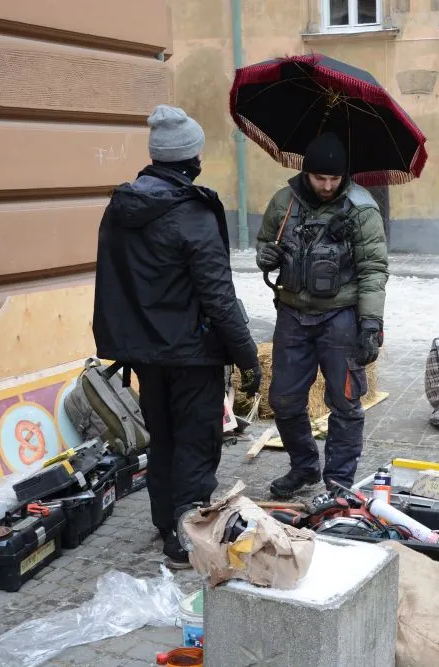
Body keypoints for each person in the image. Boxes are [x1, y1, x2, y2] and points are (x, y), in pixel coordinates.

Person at [92, 105, 261, 567]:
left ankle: (165, 518)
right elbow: (218, 296)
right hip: (191, 351)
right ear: (190, 158)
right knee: (194, 438)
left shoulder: (121, 208)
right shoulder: (191, 213)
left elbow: (113, 282)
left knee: (161, 433)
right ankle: (185, 535)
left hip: (145, 350)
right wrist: (247, 357)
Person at [255, 131, 389, 498]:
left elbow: (374, 269)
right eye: (320, 178)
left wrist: (371, 324)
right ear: (306, 173)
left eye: (335, 179)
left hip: (340, 317)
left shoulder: (362, 209)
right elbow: (265, 241)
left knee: (345, 402)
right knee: (283, 399)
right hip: (293, 315)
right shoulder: (285, 201)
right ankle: (304, 468)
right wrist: (265, 256)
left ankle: (338, 481)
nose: (328, 186)